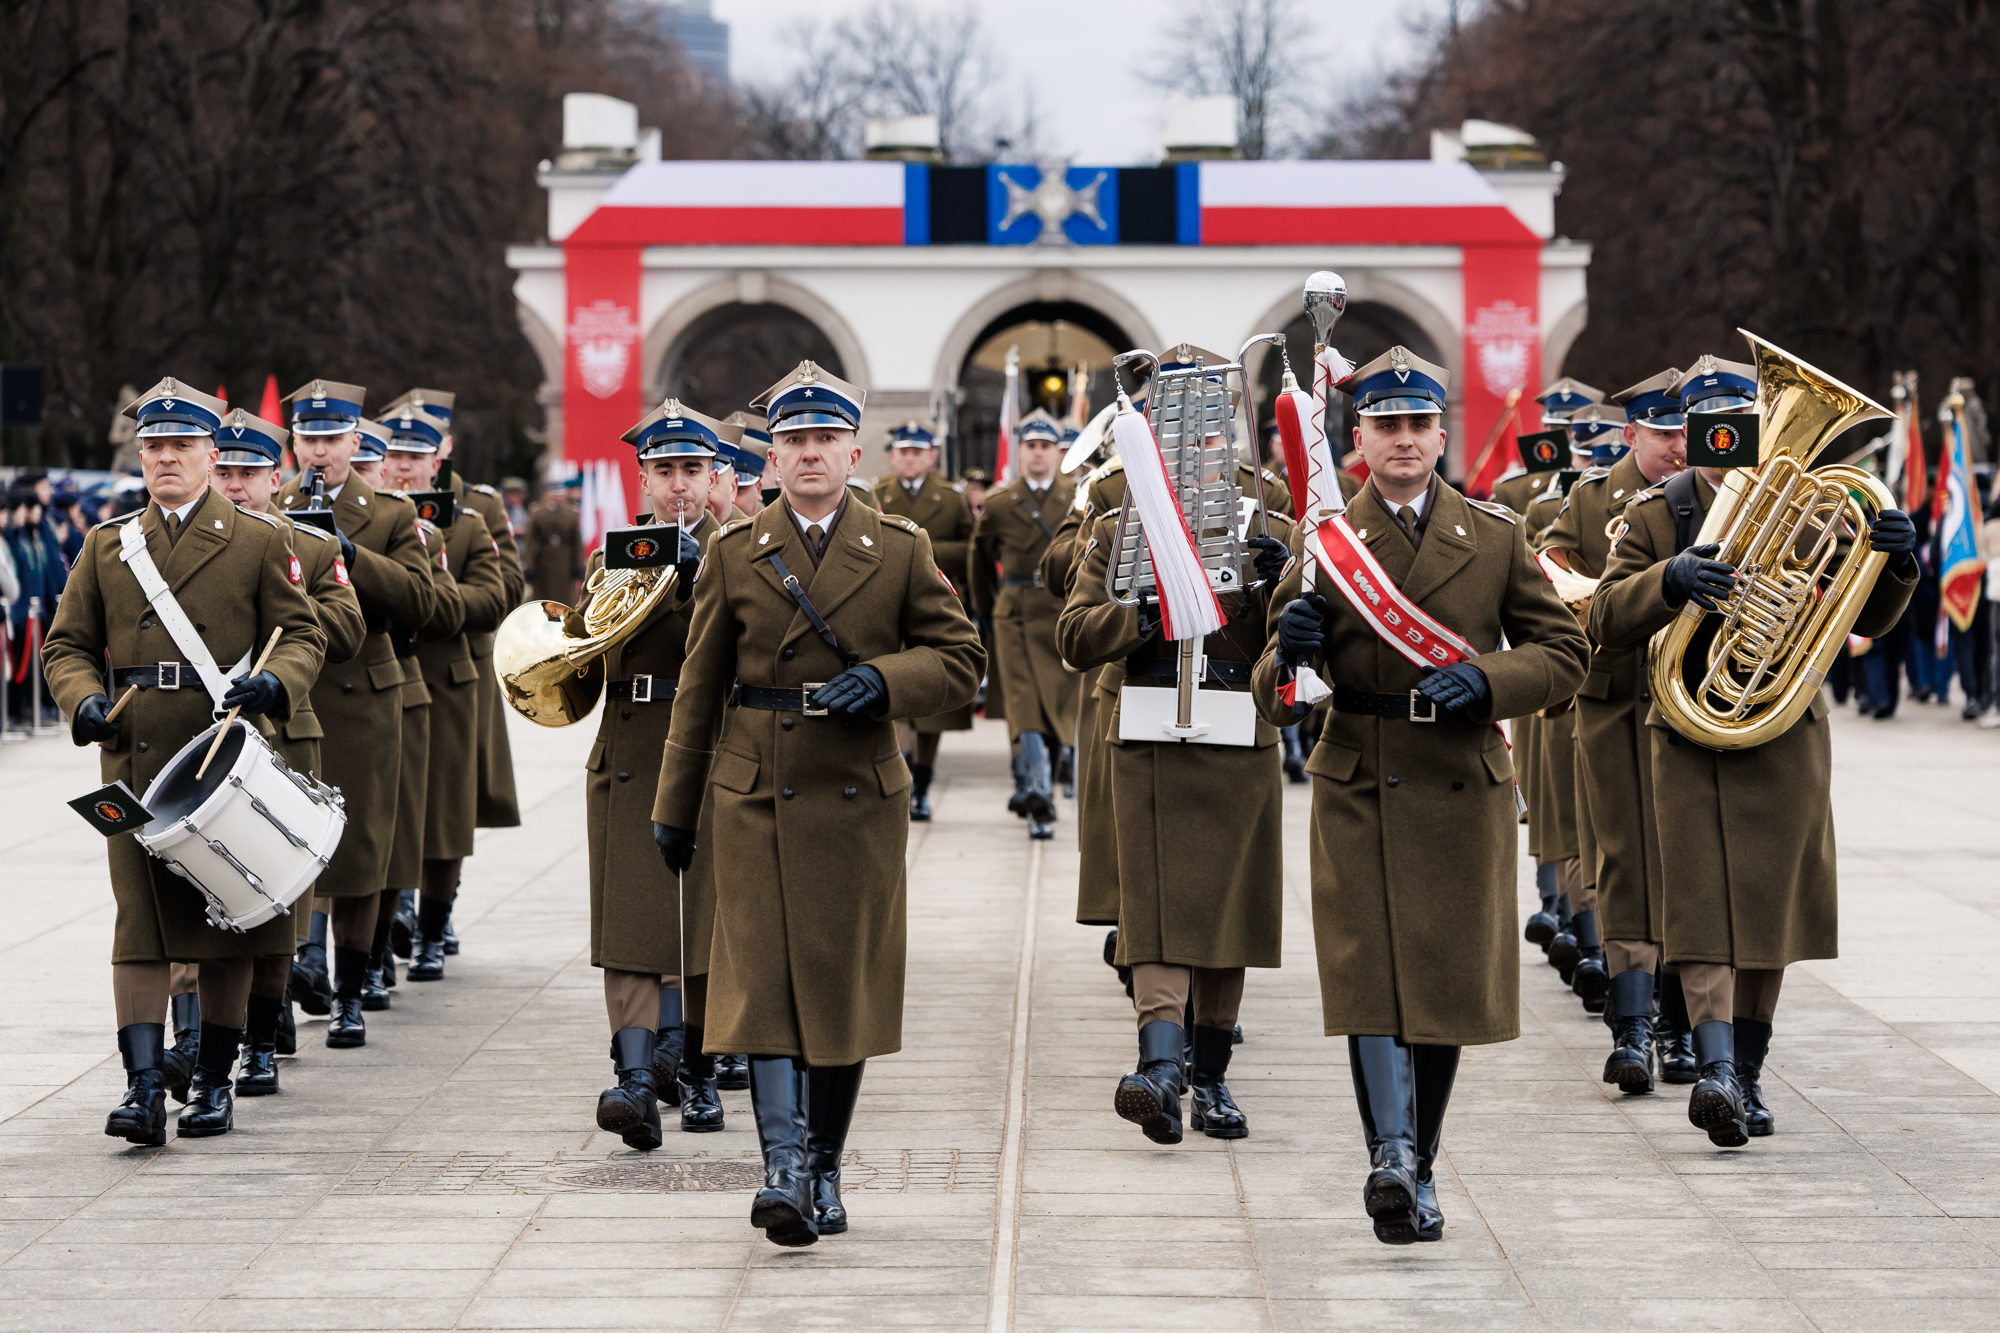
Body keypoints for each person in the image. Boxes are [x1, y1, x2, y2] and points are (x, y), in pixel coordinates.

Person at [1251, 347, 1589, 1242]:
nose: (1403, 438)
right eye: (1385, 425)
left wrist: (1487, 679)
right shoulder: (1323, 546)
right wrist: (1291, 650)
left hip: (1458, 778)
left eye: (1418, 424)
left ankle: (1420, 1160)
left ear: (1442, 435)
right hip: (1359, 777)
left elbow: (1564, 654)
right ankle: (1390, 1156)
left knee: (1442, 982)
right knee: (1368, 974)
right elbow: (1272, 698)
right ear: (1358, 439)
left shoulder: (1496, 535)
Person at [651, 360, 983, 1247]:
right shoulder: (736, 550)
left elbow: (961, 661)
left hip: (856, 791)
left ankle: (825, 1165)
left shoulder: (900, 547)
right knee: (760, 982)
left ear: (852, 452)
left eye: (824, 439)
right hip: (755, 789)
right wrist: (675, 805)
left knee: (840, 990)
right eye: (793, 440)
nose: (808, 453)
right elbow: (700, 688)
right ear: (772, 456)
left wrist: (886, 678)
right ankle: (785, 1169)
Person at [1590, 362, 1919, 1146]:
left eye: (1743, 418)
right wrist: (1669, 578)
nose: (1728, 435)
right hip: (1689, 730)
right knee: (1700, 905)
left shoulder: (1812, 510)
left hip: (1781, 731)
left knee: (1770, 911)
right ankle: (1714, 1070)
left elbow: (1865, 615)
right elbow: (1603, 616)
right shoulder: (1654, 514)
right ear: (1692, 430)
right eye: (1712, 422)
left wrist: (1897, 560)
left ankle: (1747, 1071)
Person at [43, 379, 328, 1143]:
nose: (166, 458)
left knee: (223, 922)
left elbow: (304, 632)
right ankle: (142, 1087)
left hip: (217, 756)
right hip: (131, 759)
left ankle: (211, 1082)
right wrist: (82, 700)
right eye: (154, 447)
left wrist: (275, 682)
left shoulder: (259, 539)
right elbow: (66, 644)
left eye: (181, 446)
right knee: (138, 925)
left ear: (209, 454)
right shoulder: (108, 544)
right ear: (140, 456)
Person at [1057, 421, 1293, 1145]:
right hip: (1150, 732)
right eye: (1181, 443)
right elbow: (1074, 635)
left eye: (1211, 442)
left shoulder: (1272, 528)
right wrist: (1143, 613)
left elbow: (1310, 650)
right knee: (1154, 904)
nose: (1198, 458)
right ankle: (1159, 1067)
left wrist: (1287, 581)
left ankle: (1211, 1077)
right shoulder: (1120, 529)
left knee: (1229, 912)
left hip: (1238, 729)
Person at [585, 398, 732, 1149]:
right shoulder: (613, 557)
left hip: (708, 748)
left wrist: (702, 574)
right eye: (665, 470)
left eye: (692, 470)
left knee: (704, 920)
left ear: (714, 479)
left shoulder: (738, 551)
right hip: (631, 746)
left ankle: (698, 1070)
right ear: (642, 478)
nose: (678, 484)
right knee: (632, 921)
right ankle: (636, 1078)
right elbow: (590, 657)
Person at [209, 408, 366, 1094]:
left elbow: (347, 631)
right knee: (204, 886)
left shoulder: (309, 545)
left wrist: (287, 597)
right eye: (224, 471)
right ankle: (198, 1037)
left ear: (277, 478)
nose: (235, 486)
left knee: (275, 893)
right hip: (209, 730)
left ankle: (263, 1035)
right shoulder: (184, 546)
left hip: (285, 731)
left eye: (248, 473)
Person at [277, 384, 437, 1048]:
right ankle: (293, 973)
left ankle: (349, 989)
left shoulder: (392, 513)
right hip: (295, 692)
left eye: (331, 439)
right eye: (308, 439)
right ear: (294, 443)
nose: (319, 452)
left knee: (361, 848)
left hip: (365, 695)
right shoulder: (272, 506)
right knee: (288, 841)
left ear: (354, 442)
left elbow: (421, 601)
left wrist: (350, 553)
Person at [1542, 371, 1689, 1090]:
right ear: (1631, 434)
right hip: (1617, 698)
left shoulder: (1726, 498)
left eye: (1687, 431)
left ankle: (1682, 1025)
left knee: (1689, 861)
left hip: (1696, 701)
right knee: (1624, 857)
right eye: (1664, 433)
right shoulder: (1593, 498)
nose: (1679, 445)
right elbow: (1550, 574)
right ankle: (1631, 1025)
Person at [380, 404, 508, 982]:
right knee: (386, 814)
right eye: (395, 455)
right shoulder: (371, 519)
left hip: (446, 678)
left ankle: (432, 930)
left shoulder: (469, 520)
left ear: (438, 461)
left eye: (415, 456)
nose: (403, 466)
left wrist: (433, 599)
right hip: (385, 680)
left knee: (443, 819)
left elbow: (498, 595)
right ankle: (386, 930)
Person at [970, 410, 1080, 840]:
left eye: (1045, 446)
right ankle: (1039, 789)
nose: (1038, 454)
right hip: (1014, 614)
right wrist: (986, 612)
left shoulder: (1075, 497)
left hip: (1059, 611)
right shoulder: (1000, 502)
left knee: (1057, 704)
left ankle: (1042, 783)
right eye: (1031, 446)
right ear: (1020, 451)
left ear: (1057, 452)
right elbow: (980, 560)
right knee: (1024, 704)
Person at [872, 421, 977, 821]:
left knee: (932, 702)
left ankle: (923, 783)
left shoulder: (951, 498)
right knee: (896, 692)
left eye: (917, 452)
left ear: (932, 456)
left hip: (936, 604)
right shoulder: (877, 494)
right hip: (888, 606)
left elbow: (971, 550)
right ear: (891, 456)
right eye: (903, 451)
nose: (910, 459)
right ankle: (902, 781)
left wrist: (920, 550)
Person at [524, 482, 583, 605]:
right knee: (542, 595)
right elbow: (530, 540)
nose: (557, 497)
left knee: (564, 596)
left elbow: (576, 541)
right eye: (554, 494)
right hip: (543, 559)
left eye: (560, 494)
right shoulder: (538, 512)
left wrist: (578, 565)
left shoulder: (571, 513)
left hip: (564, 560)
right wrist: (529, 565)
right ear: (547, 494)